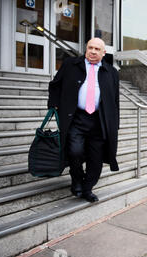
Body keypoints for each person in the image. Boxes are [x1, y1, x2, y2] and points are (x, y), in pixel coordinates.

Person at [48, 38, 120, 203]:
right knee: (75, 151)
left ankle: (87, 189)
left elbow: (115, 101)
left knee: (96, 160)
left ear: (104, 53)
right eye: (90, 48)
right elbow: (55, 85)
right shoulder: (70, 64)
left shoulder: (112, 72)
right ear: (86, 48)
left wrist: (115, 124)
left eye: (97, 49)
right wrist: (54, 106)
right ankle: (77, 180)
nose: (93, 51)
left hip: (99, 121)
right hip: (77, 118)